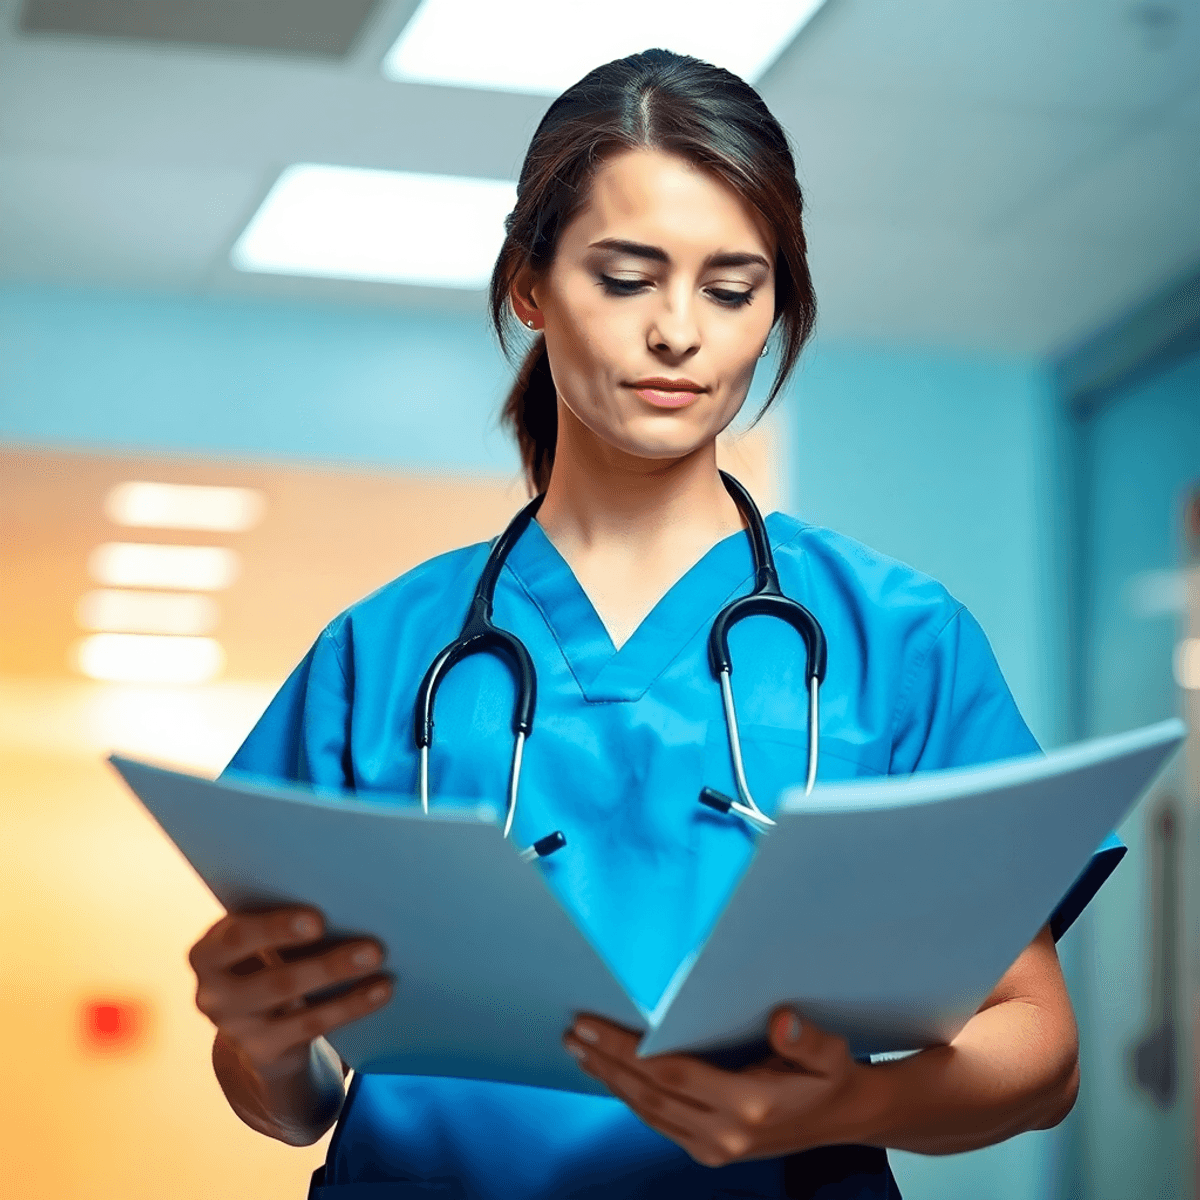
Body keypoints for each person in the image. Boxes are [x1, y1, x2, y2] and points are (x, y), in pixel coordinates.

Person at [187, 49, 1122, 1200]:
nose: (679, 331)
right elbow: (293, 1104)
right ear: (530, 287)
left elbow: (1038, 1047)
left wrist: (847, 1104)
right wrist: (268, 1046)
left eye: (732, 289)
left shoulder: (899, 642)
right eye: (627, 278)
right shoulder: (378, 658)